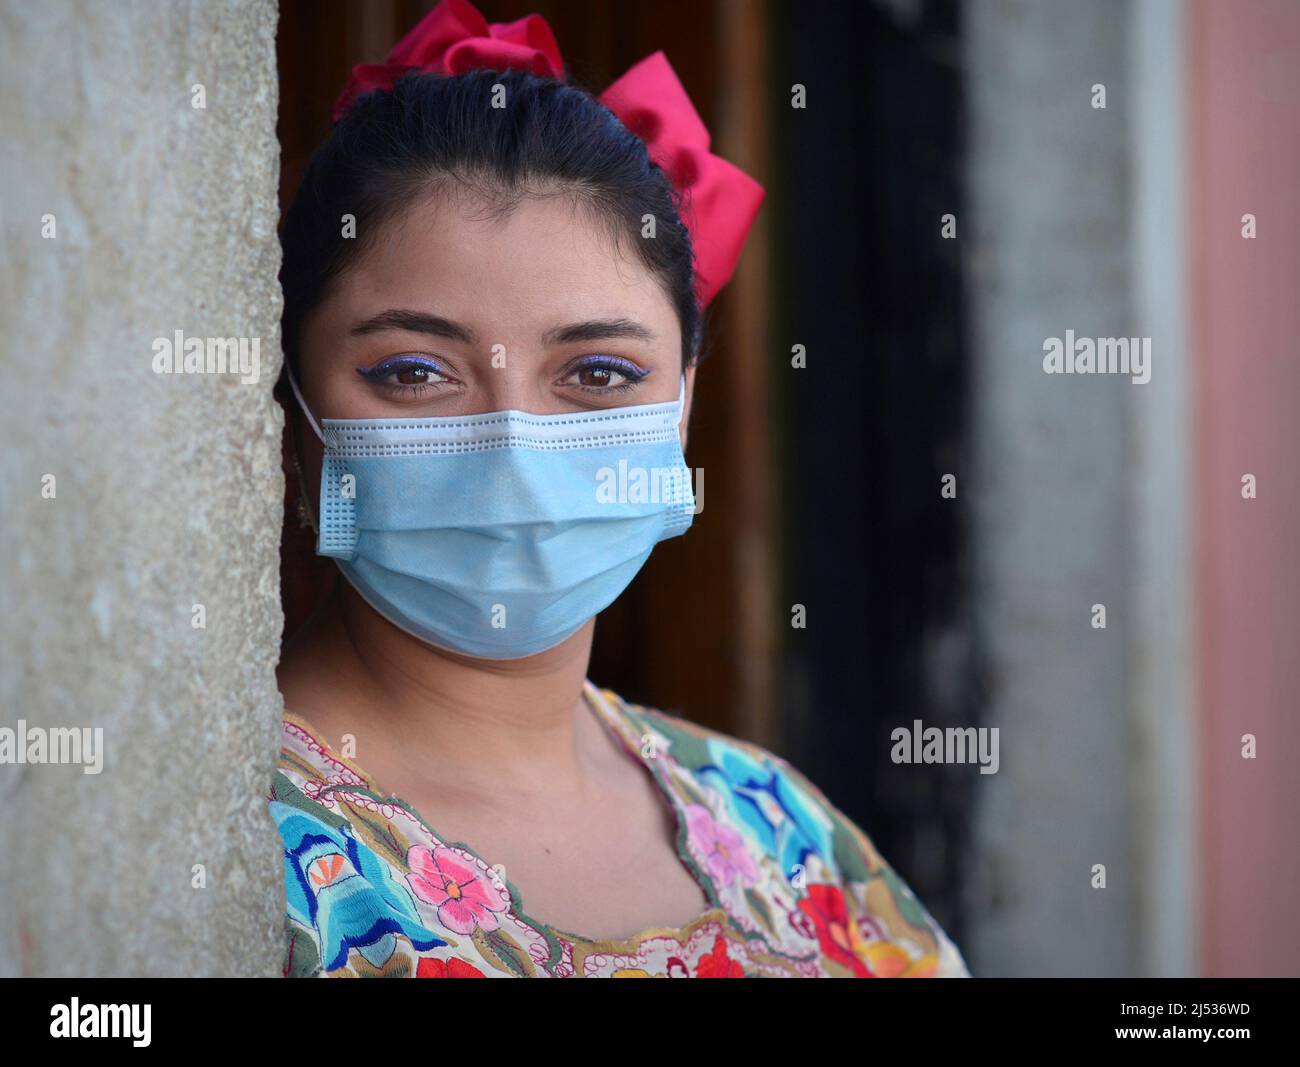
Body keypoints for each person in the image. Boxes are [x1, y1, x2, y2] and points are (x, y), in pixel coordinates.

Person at [271, 0, 969, 978]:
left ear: (681, 407)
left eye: (597, 373)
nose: (513, 449)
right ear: (294, 413)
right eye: (414, 371)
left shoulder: (777, 828)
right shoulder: (230, 859)